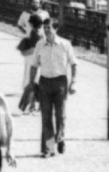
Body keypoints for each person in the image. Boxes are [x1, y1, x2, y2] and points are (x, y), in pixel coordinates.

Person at [28, 15, 76, 157]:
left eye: (49, 28)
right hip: (44, 83)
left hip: (60, 82)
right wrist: (31, 83)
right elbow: (34, 65)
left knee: (61, 115)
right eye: (45, 28)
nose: (47, 30)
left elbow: (73, 63)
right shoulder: (39, 45)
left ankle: (60, 137)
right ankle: (48, 148)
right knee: (46, 116)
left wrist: (73, 81)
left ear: (56, 29)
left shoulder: (65, 44)